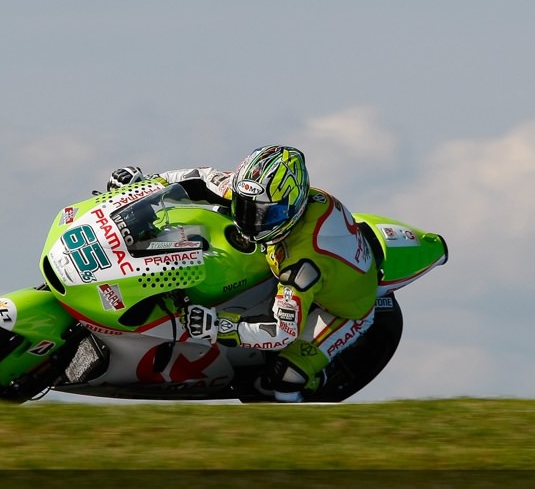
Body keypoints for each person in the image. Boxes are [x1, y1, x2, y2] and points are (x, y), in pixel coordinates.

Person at [106, 146, 378, 402]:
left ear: (293, 207)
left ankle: (311, 388)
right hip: (306, 262)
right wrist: (145, 185)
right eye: (245, 207)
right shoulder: (262, 195)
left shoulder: (302, 263)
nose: (251, 221)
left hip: (344, 310)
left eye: (265, 214)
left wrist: (216, 326)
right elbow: (199, 178)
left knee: (285, 377)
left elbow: (283, 332)